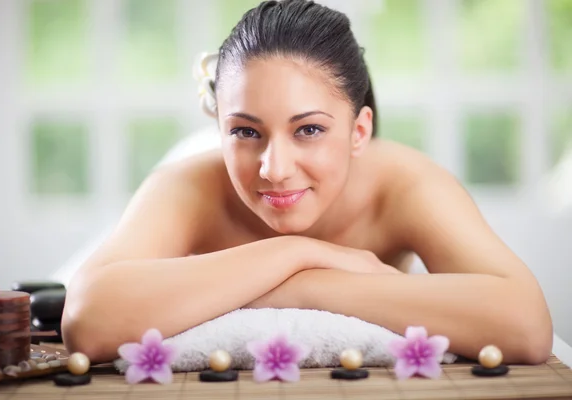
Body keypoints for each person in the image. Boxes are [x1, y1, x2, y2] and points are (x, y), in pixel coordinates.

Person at [62, 0, 552, 364]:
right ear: (219, 130)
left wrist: (305, 287)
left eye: (309, 130)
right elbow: (88, 319)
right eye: (246, 132)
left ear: (359, 130)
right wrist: (297, 253)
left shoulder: (406, 186)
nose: (274, 168)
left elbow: (526, 327)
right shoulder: (189, 188)